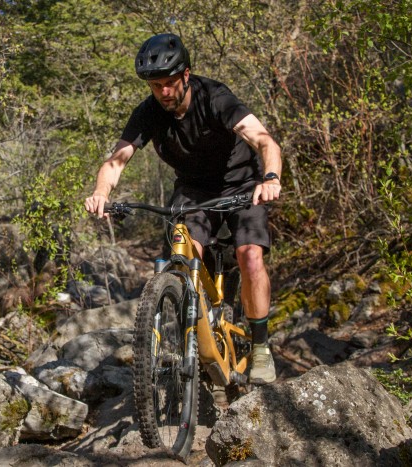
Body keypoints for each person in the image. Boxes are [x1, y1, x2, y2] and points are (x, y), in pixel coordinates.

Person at [84, 33, 281, 384]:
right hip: (193, 190)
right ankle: (192, 338)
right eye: (154, 86)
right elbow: (116, 160)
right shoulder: (148, 112)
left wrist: (270, 178)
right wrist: (101, 191)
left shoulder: (214, 97)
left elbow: (264, 141)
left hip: (242, 184)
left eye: (169, 83)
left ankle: (262, 348)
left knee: (250, 254)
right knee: (183, 252)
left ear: (186, 75)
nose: (163, 92)